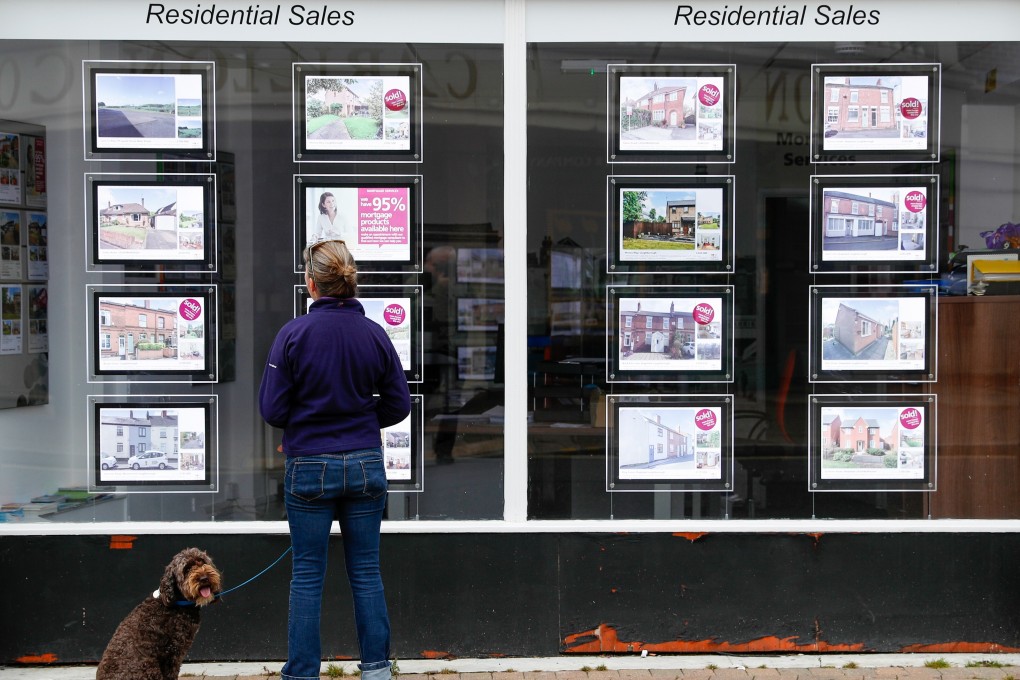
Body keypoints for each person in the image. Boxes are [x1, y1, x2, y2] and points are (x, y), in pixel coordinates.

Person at [259, 239, 411, 680]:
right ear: (350, 283)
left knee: (307, 574)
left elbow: (272, 411)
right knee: (366, 570)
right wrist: (364, 423)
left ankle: (303, 673)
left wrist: (302, 428)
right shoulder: (374, 334)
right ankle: (378, 670)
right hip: (365, 464)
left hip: (308, 465)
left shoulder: (292, 335)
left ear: (311, 285)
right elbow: (398, 404)